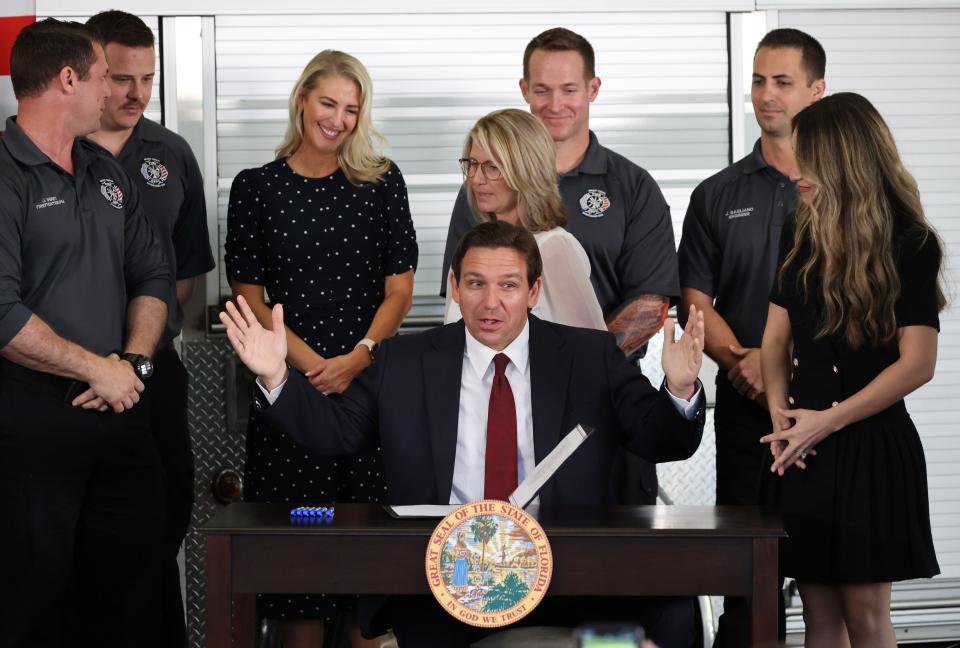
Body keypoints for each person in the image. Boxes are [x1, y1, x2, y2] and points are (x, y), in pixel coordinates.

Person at [221, 220, 707, 647]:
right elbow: (335, 432)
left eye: (509, 285)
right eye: (475, 283)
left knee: (674, 608)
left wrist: (681, 388)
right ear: (454, 286)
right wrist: (275, 378)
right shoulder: (403, 362)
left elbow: (658, 438)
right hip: (445, 580)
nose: (490, 302)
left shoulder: (589, 357)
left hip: (564, 573)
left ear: (534, 291)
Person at [223, 49, 417, 647]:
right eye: (328, 103)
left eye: (351, 110)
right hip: (288, 394)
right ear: (302, 99)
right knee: (296, 573)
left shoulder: (382, 180)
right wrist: (310, 367)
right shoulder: (255, 188)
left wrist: (358, 356)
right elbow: (250, 297)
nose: (338, 119)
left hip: (368, 389)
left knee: (371, 574)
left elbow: (401, 290)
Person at [444, 26, 679, 509]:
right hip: (485, 425)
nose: (555, 103)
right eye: (473, 165)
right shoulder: (473, 203)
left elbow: (607, 335)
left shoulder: (622, 193)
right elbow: (459, 312)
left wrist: (541, 385)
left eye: (568, 89)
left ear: (592, 89)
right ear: (524, 90)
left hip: (577, 423)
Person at [0, 18, 172, 648]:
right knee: (34, 596)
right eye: (103, 77)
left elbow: (154, 272)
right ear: (68, 79)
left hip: (122, 412)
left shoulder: (106, 171)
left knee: (131, 591)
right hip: (32, 429)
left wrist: (131, 364)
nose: (114, 93)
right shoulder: (5, 174)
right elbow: (1, 313)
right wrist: (94, 368)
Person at [761, 92, 943, 647]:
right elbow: (773, 340)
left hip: (871, 445)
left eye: (806, 158)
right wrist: (781, 414)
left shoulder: (911, 243)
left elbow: (918, 364)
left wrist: (827, 420)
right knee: (817, 614)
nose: (796, 171)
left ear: (842, 161)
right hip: (806, 447)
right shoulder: (800, 230)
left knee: (865, 615)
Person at [676, 28, 825, 646]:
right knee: (746, 577)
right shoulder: (717, 194)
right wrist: (746, 362)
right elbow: (695, 301)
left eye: (782, 82)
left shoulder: (844, 193)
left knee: (828, 580)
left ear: (816, 91)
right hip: (743, 409)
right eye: (759, 81)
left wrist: (783, 371)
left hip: (824, 410)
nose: (766, 95)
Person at [84, 11, 216, 648]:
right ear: (83, 72)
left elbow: (185, 273)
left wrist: (138, 343)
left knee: (162, 517)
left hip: (154, 370)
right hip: (68, 379)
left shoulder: (171, 153)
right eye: (119, 78)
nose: (135, 94)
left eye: (147, 78)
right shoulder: (54, 152)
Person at [445, 108, 604, 330]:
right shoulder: (469, 250)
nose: (476, 179)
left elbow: (593, 351)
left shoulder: (553, 248)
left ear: (525, 171)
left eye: (492, 167)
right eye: (472, 164)